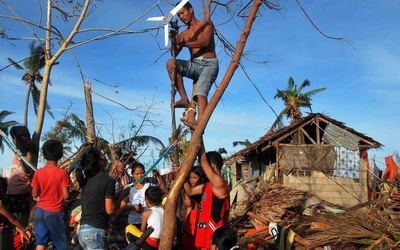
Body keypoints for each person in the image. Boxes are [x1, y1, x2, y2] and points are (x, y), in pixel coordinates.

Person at [166, 1, 219, 130]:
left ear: (191, 10)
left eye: (182, 13)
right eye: (178, 16)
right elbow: (174, 53)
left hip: (209, 64)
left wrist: (184, 42)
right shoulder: (184, 34)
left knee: (200, 92)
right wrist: (174, 42)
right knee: (171, 63)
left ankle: (200, 125)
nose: (181, 17)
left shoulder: (206, 24)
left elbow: (205, 42)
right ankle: (184, 99)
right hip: (194, 65)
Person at [184, 140, 230, 250]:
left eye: (205, 167)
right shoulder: (208, 185)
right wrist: (183, 175)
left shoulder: (220, 184)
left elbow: (203, 161)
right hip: (204, 234)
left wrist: (196, 133)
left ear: (212, 166)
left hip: (213, 234)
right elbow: (190, 191)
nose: (203, 170)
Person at [31, 139, 71, 250]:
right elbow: (66, 195)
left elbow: (34, 194)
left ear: (43, 155)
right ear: (60, 155)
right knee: (61, 243)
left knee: (40, 242)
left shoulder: (38, 172)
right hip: (54, 212)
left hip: (40, 211)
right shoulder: (62, 173)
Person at [76, 146, 116, 250]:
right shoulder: (108, 180)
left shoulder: (88, 181)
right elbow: (110, 210)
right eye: (102, 154)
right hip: (95, 231)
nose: (105, 155)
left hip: (83, 230)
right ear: (99, 161)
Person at [7, 125, 38, 227]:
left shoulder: (28, 154)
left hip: (21, 194)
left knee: (18, 223)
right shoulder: (19, 154)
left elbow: (28, 170)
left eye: (14, 138)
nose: (13, 140)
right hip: (12, 192)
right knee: (10, 222)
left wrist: (21, 159)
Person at [0, 177, 31, 250]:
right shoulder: (0, 205)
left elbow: (7, 220)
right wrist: (24, 229)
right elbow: (12, 219)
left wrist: (20, 230)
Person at [182, 166, 208, 249]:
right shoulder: (192, 210)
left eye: (195, 177)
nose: (192, 180)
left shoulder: (204, 187)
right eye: (190, 178)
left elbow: (190, 192)